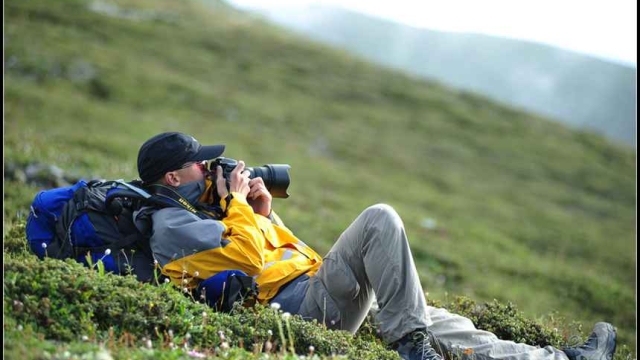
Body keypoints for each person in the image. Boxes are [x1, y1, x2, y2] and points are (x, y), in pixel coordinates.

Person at [133, 132, 617, 360]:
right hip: (298, 310)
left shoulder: (210, 210)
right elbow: (245, 260)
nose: (212, 170)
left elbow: (268, 252)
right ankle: (411, 349)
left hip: (312, 291)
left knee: (444, 323)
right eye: (201, 166)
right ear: (174, 177)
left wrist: (261, 212)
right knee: (380, 219)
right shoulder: (172, 225)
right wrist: (238, 203)